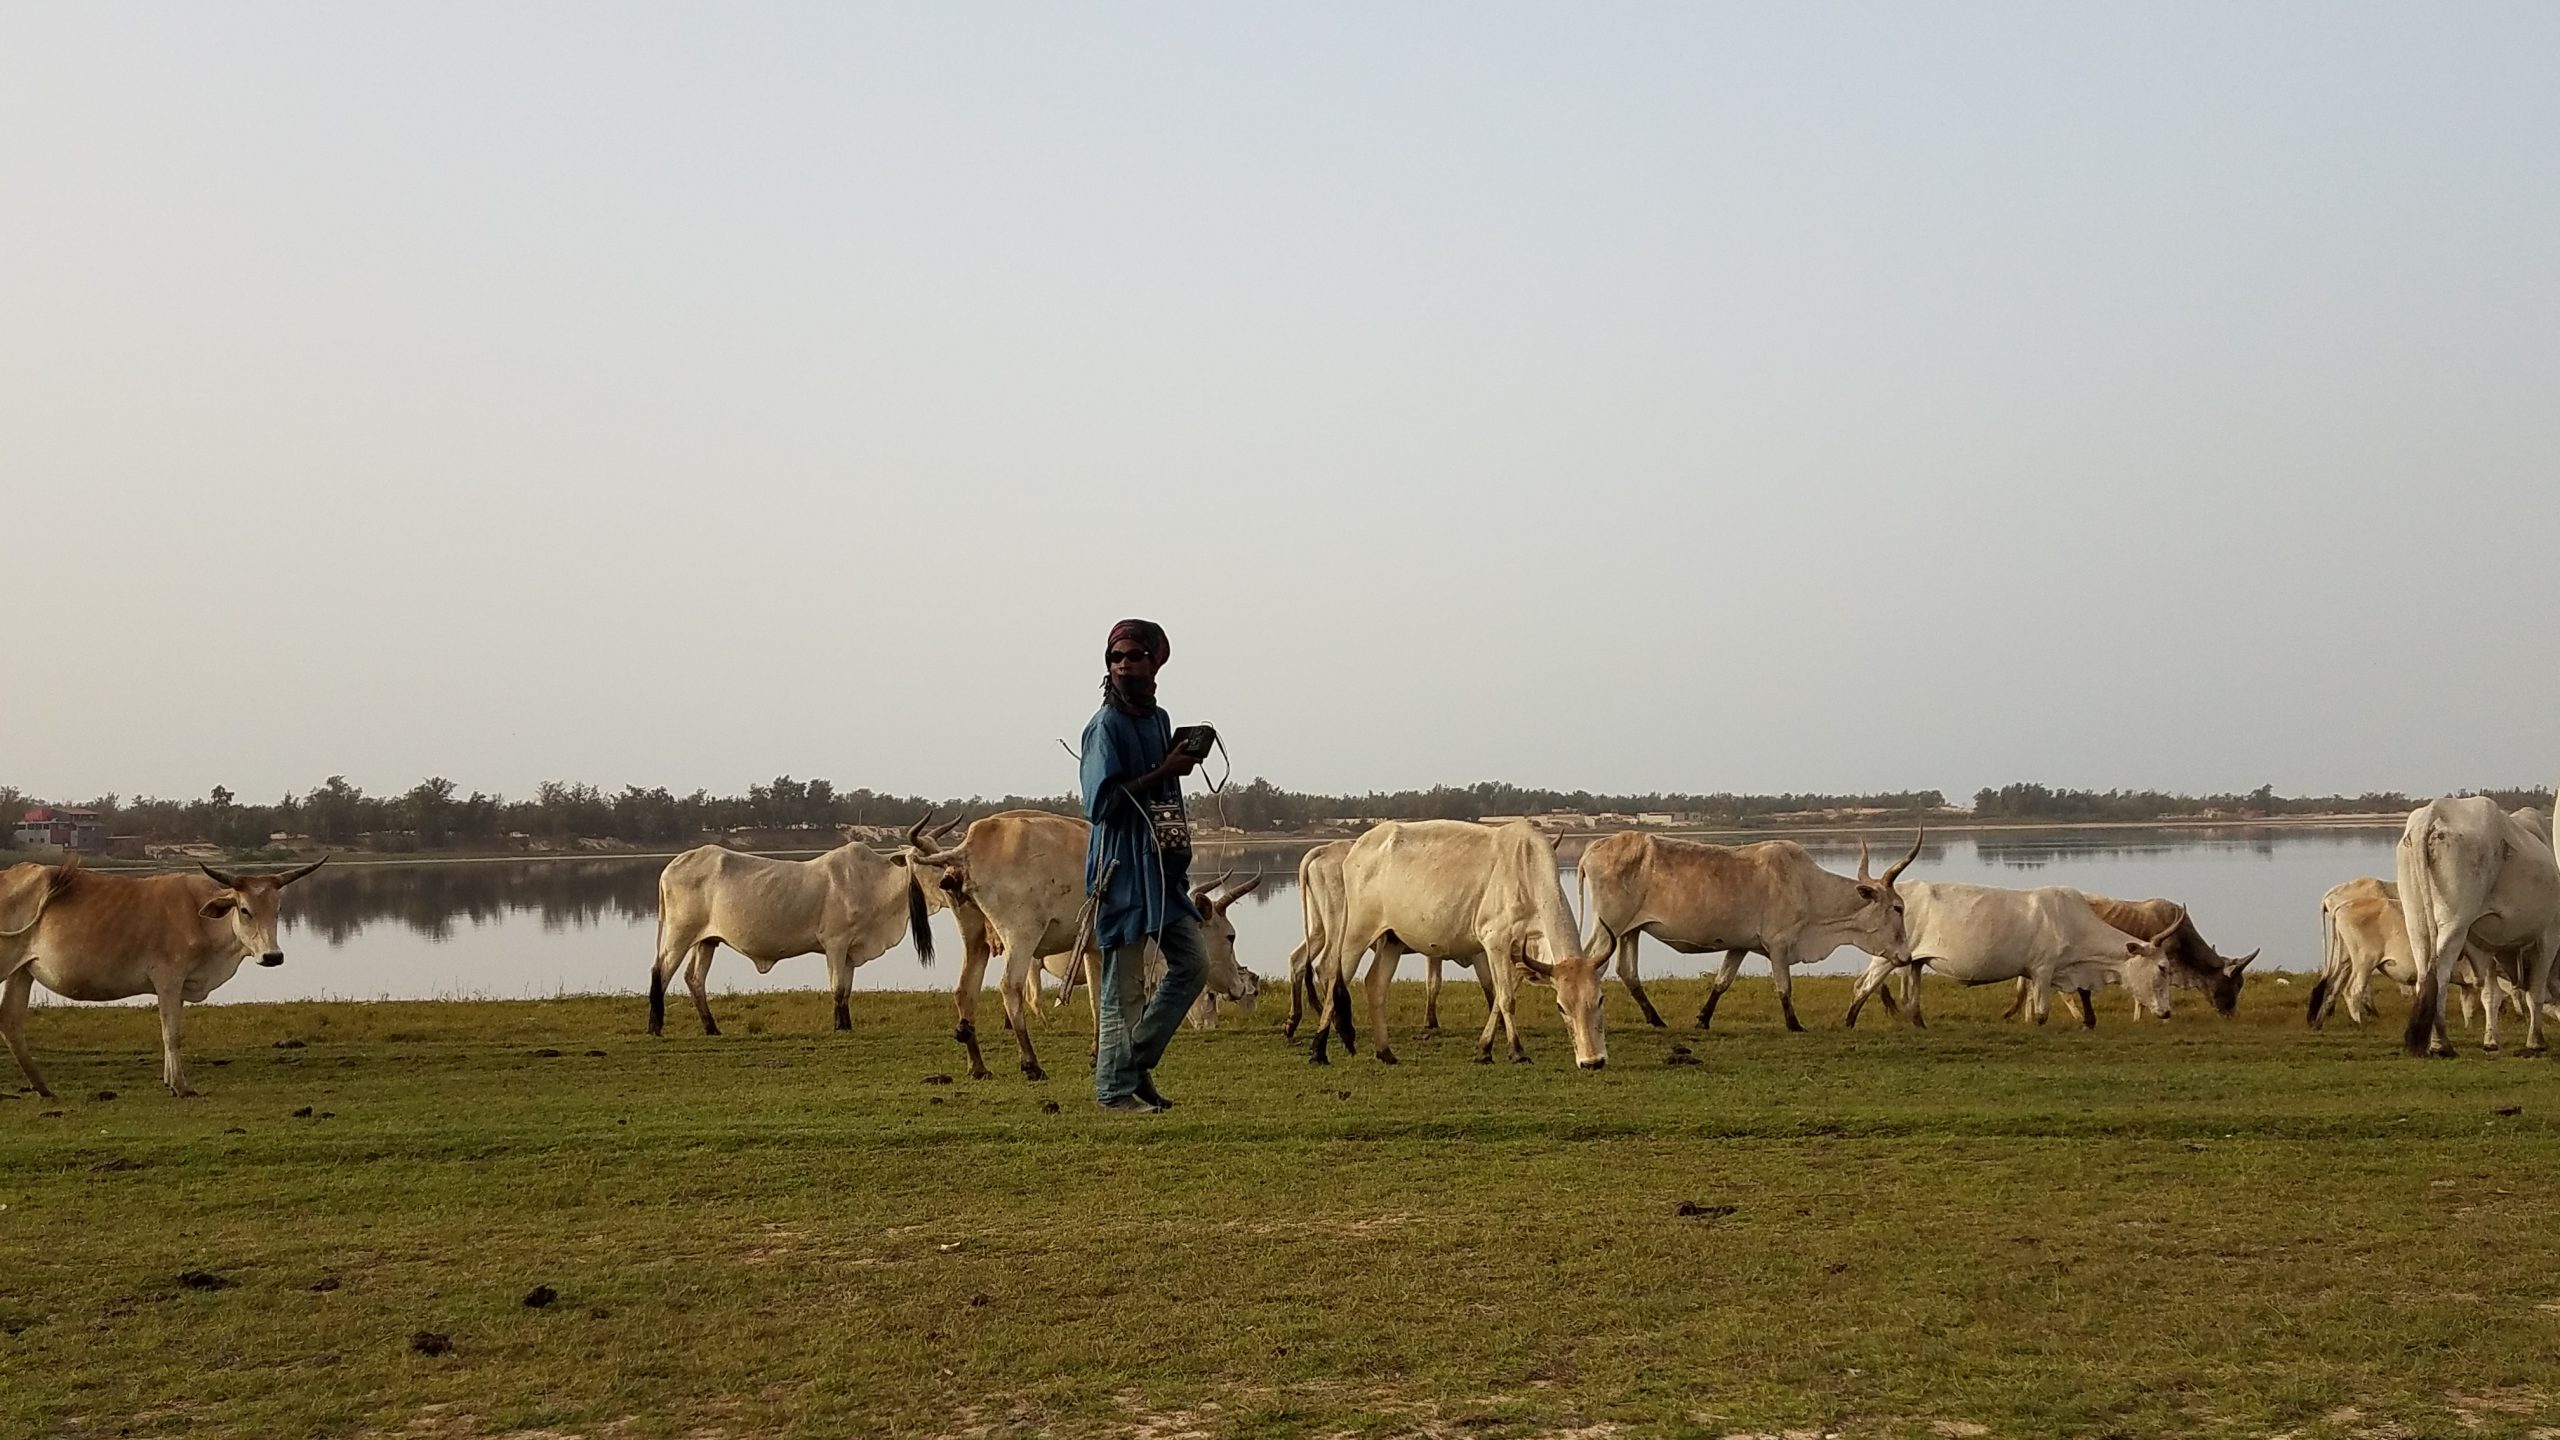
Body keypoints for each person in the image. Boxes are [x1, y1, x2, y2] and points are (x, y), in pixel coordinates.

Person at [1078, 618, 1205, 1113]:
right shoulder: (1104, 726)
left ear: (1156, 662)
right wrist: (1163, 772)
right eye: (1116, 658)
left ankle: (1134, 1064)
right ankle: (1114, 1091)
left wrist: (1176, 762)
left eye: (1134, 656)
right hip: (1121, 867)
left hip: (1160, 868)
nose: (1124, 666)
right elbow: (1100, 804)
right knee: (1123, 985)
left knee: (1193, 963)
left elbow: (1161, 787)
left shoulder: (1156, 718)